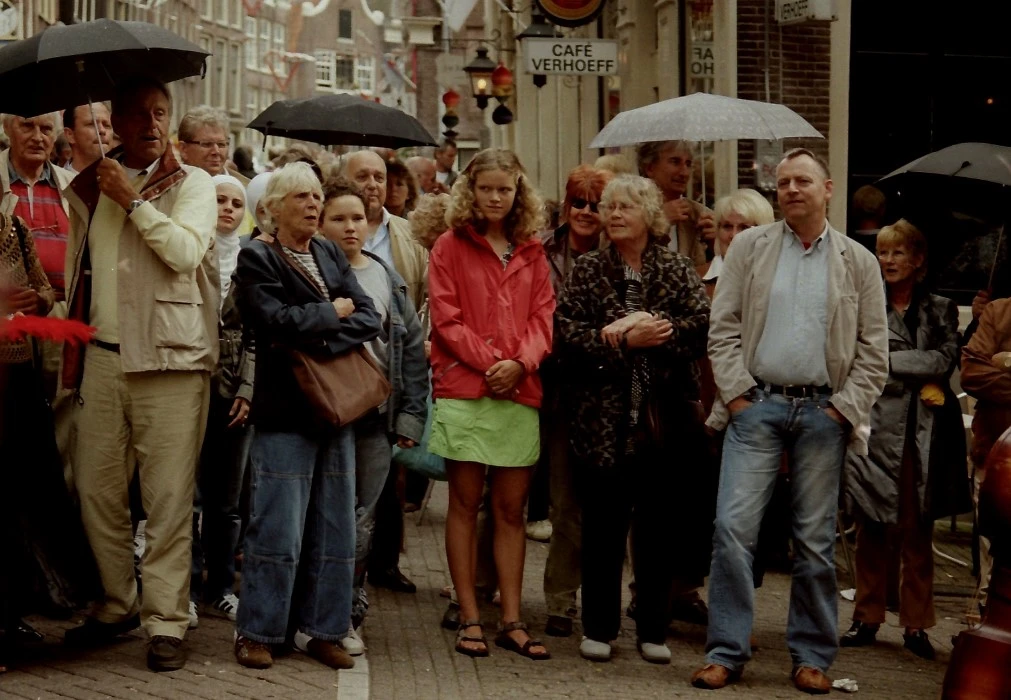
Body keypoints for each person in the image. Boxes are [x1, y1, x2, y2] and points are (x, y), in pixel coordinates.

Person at [694, 148, 889, 693]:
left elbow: (875, 350)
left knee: (814, 539)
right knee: (732, 529)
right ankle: (727, 651)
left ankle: (811, 657)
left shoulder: (858, 261)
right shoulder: (750, 250)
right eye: (782, 183)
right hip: (758, 406)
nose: (791, 190)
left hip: (823, 413)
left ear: (828, 189)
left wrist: (842, 409)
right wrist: (736, 396)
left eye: (803, 181)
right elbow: (723, 327)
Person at [60, 77, 219, 673]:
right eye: (138, 114)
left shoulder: (195, 182)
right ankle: (118, 602)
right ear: (116, 124)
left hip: (172, 359)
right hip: (102, 355)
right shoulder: (92, 184)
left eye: (160, 113)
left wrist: (133, 200)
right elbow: (84, 269)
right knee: (96, 491)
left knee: (168, 498)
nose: (151, 123)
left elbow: (184, 252)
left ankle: (167, 619)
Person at [232, 162, 382, 671]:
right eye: (301, 196)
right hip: (285, 410)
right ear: (273, 208)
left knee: (334, 528)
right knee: (277, 528)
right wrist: (330, 315)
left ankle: (323, 630)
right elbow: (271, 321)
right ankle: (258, 631)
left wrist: (317, 331)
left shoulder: (324, 250)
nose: (314, 204)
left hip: (335, 408)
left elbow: (367, 315)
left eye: (317, 195)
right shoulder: (257, 257)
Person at [555, 175, 710, 663]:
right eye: (609, 207)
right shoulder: (587, 271)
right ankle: (599, 626)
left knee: (658, 526)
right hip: (601, 420)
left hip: (662, 419)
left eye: (626, 206)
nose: (615, 214)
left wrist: (655, 335)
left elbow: (700, 326)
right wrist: (621, 341)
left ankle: (653, 629)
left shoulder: (675, 268)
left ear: (649, 214)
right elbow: (567, 336)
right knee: (602, 524)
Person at [428, 148, 554, 660]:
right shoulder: (448, 245)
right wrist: (492, 363)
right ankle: (470, 616)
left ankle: (512, 618)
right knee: (463, 502)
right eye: (487, 189)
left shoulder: (533, 249)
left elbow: (544, 318)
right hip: (467, 386)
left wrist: (520, 364)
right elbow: (445, 317)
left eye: (506, 189)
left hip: (518, 389)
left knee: (510, 509)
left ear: (518, 190)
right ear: (471, 191)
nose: (497, 197)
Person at [842, 219, 963, 661]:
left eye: (897, 253)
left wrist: (885, 360)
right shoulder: (865, 303)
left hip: (921, 435)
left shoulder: (940, 308)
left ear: (918, 261)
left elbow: (943, 358)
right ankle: (866, 617)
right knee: (870, 526)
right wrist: (904, 367)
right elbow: (853, 354)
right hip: (873, 428)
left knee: (917, 530)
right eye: (882, 252)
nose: (888, 260)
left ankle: (915, 625)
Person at [318, 179, 429, 655]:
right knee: (326, 515)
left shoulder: (388, 276)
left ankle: (347, 611)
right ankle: (316, 609)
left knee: (362, 518)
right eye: (338, 218)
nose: (349, 227)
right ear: (320, 223)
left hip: (375, 416)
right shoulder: (310, 273)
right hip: (324, 412)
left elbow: (411, 354)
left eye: (357, 218)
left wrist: (409, 419)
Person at [0, 212, 100, 672]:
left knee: (21, 498)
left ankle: (8, 617)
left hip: (15, 377)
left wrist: (35, 302)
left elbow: (46, 288)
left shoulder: (14, 227)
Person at [343, 149, 429, 593]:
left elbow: (418, 302)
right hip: (340, 384)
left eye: (379, 176)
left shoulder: (407, 236)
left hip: (389, 369)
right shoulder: (332, 235)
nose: (373, 184)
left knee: (386, 480)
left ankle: (383, 564)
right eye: (362, 176)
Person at [537, 164, 611, 637]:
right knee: (502, 493)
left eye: (596, 204)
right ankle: (481, 591)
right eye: (578, 202)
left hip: (588, 391)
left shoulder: (619, 253)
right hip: (535, 379)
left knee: (571, 502)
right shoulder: (539, 247)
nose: (586, 212)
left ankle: (561, 601)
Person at [188, 175, 254, 629]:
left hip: (234, 392)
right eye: (218, 200)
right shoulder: (190, 252)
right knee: (185, 497)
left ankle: (220, 589)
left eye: (236, 202)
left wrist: (248, 389)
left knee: (226, 500)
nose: (228, 208)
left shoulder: (252, 260)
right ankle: (186, 589)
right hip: (191, 384)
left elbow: (257, 335)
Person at [961, 294, 1011, 612]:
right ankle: (986, 624)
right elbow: (972, 374)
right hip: (995, 451)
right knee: (993, 548)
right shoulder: (998, 311)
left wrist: (1006, 361)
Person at [1, 112, 73, 302]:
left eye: (46, 129)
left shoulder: (73, 185)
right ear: (7, 129)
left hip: (65, 313)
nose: (37, 137)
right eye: (27, 126)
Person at [637, 140, 715, 268]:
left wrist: (716, 245)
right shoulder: (627, 210)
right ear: (650, 168)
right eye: (675, 162)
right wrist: (660, 221)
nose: (684, 173)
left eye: (688, 164)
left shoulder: (698, 214)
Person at [703, 189, 775, 294]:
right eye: (727, 226)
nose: (734, 235)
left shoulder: (779, 278)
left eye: (744, 227)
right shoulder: (692, 278)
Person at [62, 103, 113, 175]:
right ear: (70, 135)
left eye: (107, 125)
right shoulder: (59, 183)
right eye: (92, 124)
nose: (102, 130)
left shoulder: (126, 178)